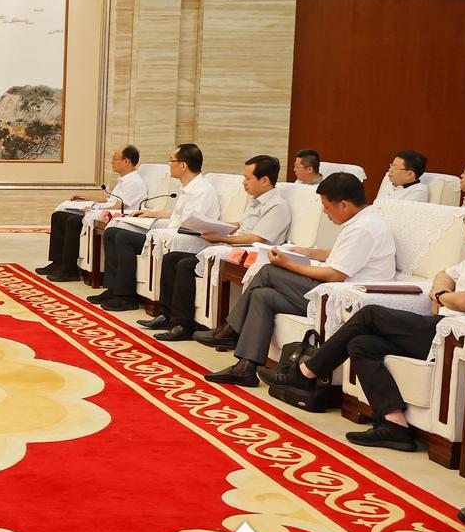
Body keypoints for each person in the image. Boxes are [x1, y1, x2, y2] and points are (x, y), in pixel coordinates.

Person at [261, 193, 465, 451]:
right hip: (442, 329)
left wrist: (440, 296)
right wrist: (441, 292)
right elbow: (444, 274)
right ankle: (394, 424)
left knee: (370, 314)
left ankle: (305, 373)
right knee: (361, 344)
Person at [201, 172, 397, 386]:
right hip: (329, 292)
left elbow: (334, 274)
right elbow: (339, 255)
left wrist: (288, 264)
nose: (325, 212)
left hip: (343, 299)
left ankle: (229, 330)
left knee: (268, 272)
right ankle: (245, 368)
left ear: (343, 205)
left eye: (326, 207)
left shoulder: (363, 228)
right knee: (262, 296)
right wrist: (305, 252)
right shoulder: (361, 222)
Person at [146, 155, 291, 341]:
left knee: (185, 265)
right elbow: (242, 225)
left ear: (264, 180)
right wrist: (215, 226)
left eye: (248, 178)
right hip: (233, 245)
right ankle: (166, 314)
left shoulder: (277, 206)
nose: (244, 183)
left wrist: (221, 237)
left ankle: (183, 325)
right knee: (172, 258)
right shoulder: (256, 200)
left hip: (250, 253)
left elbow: (256, 238)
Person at [89, 143, 221, 312]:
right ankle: (114, 288)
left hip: (188, 239)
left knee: (123, 237)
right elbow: (178, 216)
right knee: (112, 231)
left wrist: (156, 228)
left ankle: (125, 296)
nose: (169, 164)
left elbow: (189, 225)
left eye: (171, 160)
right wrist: (153, 214)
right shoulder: (188, 187)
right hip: (173, 232)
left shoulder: (202, 190)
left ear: (183, 165)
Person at [37, 145, 146, 283]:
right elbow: (108, 199)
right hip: (103, 211)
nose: (111, 162)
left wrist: (93, 210)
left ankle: (69, 270)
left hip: (116, 217)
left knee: (72, 221)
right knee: (59, 216)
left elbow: (118, 207)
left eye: (115, 159)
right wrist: (85, 198)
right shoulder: (124, 179)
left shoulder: (134, 182)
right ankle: (58, 262)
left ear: (127, 162)